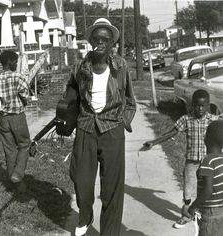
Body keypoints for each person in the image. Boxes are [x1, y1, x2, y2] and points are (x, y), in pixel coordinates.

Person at [63, 18, 136, 236]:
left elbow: (130, 100)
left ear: (112, 43)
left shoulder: (121, 66)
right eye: (96, 38)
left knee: (112, 188)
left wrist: (125, 119)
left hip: (112, 130)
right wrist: (66, 109)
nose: (100, 42)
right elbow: (71, 92)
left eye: (105, 39)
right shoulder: (80, 67)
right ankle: (86, 214)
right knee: (81, 180)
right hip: (86, 127)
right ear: (90, 41)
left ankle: (110, 232)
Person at [143, 89, 221, 229]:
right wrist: (154, 142)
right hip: (191, 163)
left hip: (208, 163)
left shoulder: (213, 120)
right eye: (197, 105)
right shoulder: (186, 119)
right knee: (188, 190)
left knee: (208, 189)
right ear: (192, 105)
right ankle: (186, 216)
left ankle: (205, 213)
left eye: (203, 105)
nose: (200, 108)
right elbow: (172, 132)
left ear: (209, 105)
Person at [0, 50, 48, 194]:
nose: (17, 63)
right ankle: (18, 173)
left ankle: (16, 184)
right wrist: (22, 101)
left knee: (9, 151)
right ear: (11, 62)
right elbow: (24, 95)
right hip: (17, 117)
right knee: (24, 144)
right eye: (16, 61)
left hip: (3, 119)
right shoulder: (18, 77)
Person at [183, 120, 223, 236]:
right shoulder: (221, 160)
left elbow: (208, 190)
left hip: (209, 215)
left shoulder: (208, 161)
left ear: (206, 140)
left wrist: (192, 208)